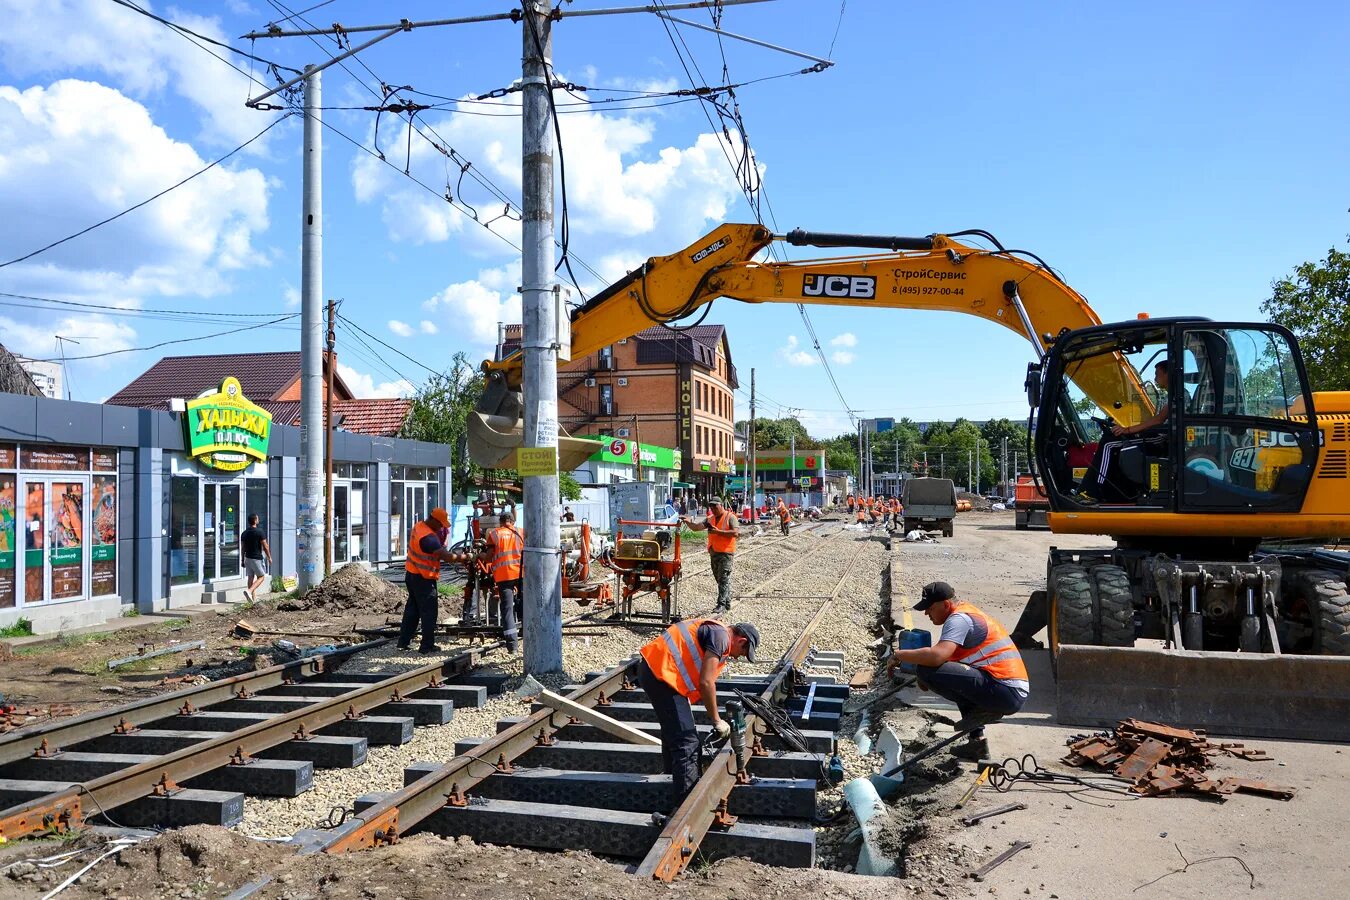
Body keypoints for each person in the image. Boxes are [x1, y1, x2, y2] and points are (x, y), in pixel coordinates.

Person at [885, 581, 1029, 761]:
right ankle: (977, 743)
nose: (926, 613)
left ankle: (988, 709)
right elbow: (950, 662)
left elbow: (937, 656)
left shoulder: (959, 619)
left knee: (926, 669)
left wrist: (899, 655)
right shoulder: (965, 613)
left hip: (1005, 691)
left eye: (929, 608)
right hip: (1008, 689)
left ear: (946, 604)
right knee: (954, 679)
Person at [637, 617, 760, 809]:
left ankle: (671, 776)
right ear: (741, 641)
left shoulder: (716, 632)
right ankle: (684, 807)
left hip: (656, 671)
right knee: (687, 743)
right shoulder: (720, 638)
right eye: (743, 652)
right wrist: (717, 720)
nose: (737, 657)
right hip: (661, 675)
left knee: (675, 732)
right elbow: (706, 682)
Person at [1078, 360, 1171, 504]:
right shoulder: (1168, 396)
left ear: (1168, 374)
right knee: (1109, 437)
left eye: (1157, 374)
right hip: (1156, 433)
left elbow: (1157, 421)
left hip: (1160, 437)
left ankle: (1093, 492)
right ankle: (1104, 491)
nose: (1155, 378)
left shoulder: (1176, 396)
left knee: (1109, 444)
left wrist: (1127, 430)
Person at [400, 507, 461, 654]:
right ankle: (427, 646)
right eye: (440, 524)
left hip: (412, 574)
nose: (441, 527)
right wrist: (465, 557)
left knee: (412, 610)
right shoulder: (428, 538)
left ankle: (403, 641)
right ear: (433, 520)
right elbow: (447, 557)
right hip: (423, 579)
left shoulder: (419, 526)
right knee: (429, 613)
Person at [681, 496, 739, 612]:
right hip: (714, 552)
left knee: (723, 578)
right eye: (711, 506)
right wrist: (687, 522)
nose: (712, 508)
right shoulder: (710, 519)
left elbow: (736, 533)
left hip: (726, 553)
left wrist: (718, 532)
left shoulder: (730, 517)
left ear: (721, 505)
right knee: (719, 579)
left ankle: (721, 605)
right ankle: (727, 602)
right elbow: (696, 528)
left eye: (715, 506)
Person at [482, 509, 526, 653]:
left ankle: (512, 646)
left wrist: (478, 556)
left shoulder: (494, 534)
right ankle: (529, 637)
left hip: (503, 576)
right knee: (525, 606)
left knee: (507, 609)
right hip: (521, 574)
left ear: (500, 522)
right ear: (512, 522)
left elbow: (488, 557)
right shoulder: (521, 532)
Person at [241, 514, 271, 601]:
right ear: (255, 521)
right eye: (257, 518)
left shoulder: (244, 533)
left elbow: (243, 548)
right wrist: (269, 557)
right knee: (261, 577)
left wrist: (242, 560)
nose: (258, 520)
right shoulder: (259, 532)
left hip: (247, 558)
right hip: (256, 558)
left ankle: (252, 600)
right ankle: (249, 591)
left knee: (251, 577)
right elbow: (265, 546)